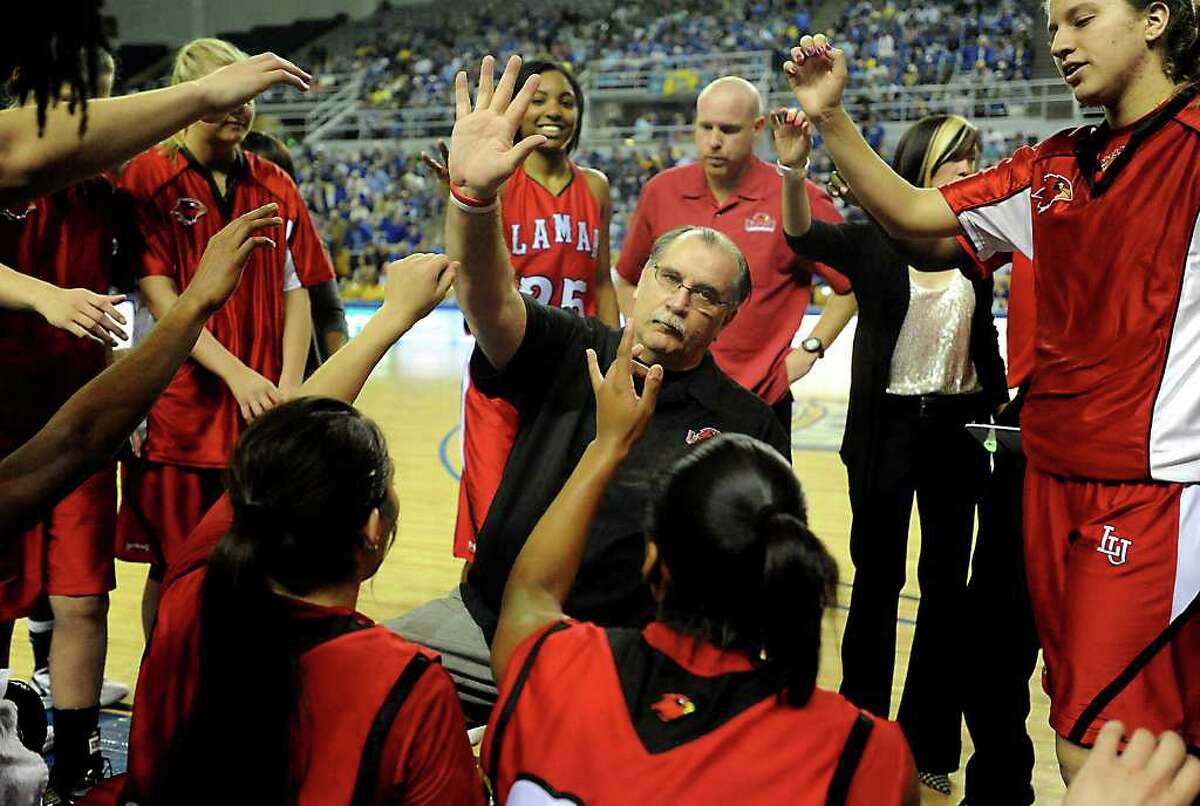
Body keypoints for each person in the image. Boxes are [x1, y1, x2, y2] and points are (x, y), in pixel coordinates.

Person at [782, 1, 1200, 778]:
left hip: (1150, 495)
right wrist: (832, 117)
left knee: (1102, 745)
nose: (1060, 43)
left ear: (1155, 19)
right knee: (1081, 719)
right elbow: (910, 209)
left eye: (1080, 17)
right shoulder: (1053, 166)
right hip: (1042, 479)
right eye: (1051, 27)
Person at [389, 55, 787, 722]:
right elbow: (491, 301)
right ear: (644, 276)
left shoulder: (747, 426)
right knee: (357, 691)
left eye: (706, 295)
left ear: (728, 316)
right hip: (485, 627)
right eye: (670, 278)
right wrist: (476, 200)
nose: (680, 301)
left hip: (623, 659)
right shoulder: (571, 346)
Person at [482, 325, 918, 804]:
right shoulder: (862, 753)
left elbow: (530, 592)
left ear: (655, 558)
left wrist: (608, 444)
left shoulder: (552, 670)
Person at [105, 254, 478, 806]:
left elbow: (286, 439)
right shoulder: (404, 683)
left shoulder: (194, 591)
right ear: (372, 531)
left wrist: (391, 316)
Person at [776, 109, 1006, 795]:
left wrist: (1001, 403)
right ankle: (861, 731)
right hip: (887, 432)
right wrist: (793, 169)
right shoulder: (873, 239)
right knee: (876, 586)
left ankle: (931, 742)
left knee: (945, 591)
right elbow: (799, 232)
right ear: (920, 167)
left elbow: (982, 341)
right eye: (956, 159)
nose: (970, 168)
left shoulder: (976, 241)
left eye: (972, 157)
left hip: (957, 432)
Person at [117, 38, 335, 637]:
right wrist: (236, 373)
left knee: (259, 566)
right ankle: (168, 686)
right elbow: (159, 299)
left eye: (250, 94)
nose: (241, 107)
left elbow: (298, 289)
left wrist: (290, 383)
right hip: (180, 416)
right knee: (174, 568)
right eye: (228, 92)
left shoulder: (274, 182)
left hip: (261, 413)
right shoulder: (146, 176)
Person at [0, 48, 134, 793]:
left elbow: (137, 293)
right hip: (5, 423)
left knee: (83, 592)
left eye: (108, 95)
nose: (95, 111)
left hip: (78, 422)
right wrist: (43, 294)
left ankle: (75, 756)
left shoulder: (108, 190)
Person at [424, 60, 619, 563]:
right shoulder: (500, 183)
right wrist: (465, 196)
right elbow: (467, 270)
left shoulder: (595, 186)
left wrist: (617, 353)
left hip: (576, 370)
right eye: (539, 99)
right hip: (508, 364)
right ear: (515, 111)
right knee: (491, 542)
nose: (555, 110)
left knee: (563, 535)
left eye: (567, 101)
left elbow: (600, 278)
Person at [613, 74, 857, 441]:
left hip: (756, 397)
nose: (713, 141)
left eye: (728, 129)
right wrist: (645, 332)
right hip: (663, 393)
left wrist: (810, 350)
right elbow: (628, 277)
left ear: (758, 128)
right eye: (705, 127)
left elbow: (851, 284)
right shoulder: (661, 190)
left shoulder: (796, 197)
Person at [0, 7, 311, 210]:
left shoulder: (103, 189)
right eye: (68, 107)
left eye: (101, 109)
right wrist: (39, 295)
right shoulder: (148, 175)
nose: (88, 130)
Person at [240, 130, 349, 375]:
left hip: (297, 384)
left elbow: (330, 314)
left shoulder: (304, 239)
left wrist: (333, 380)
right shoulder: (208, 239)